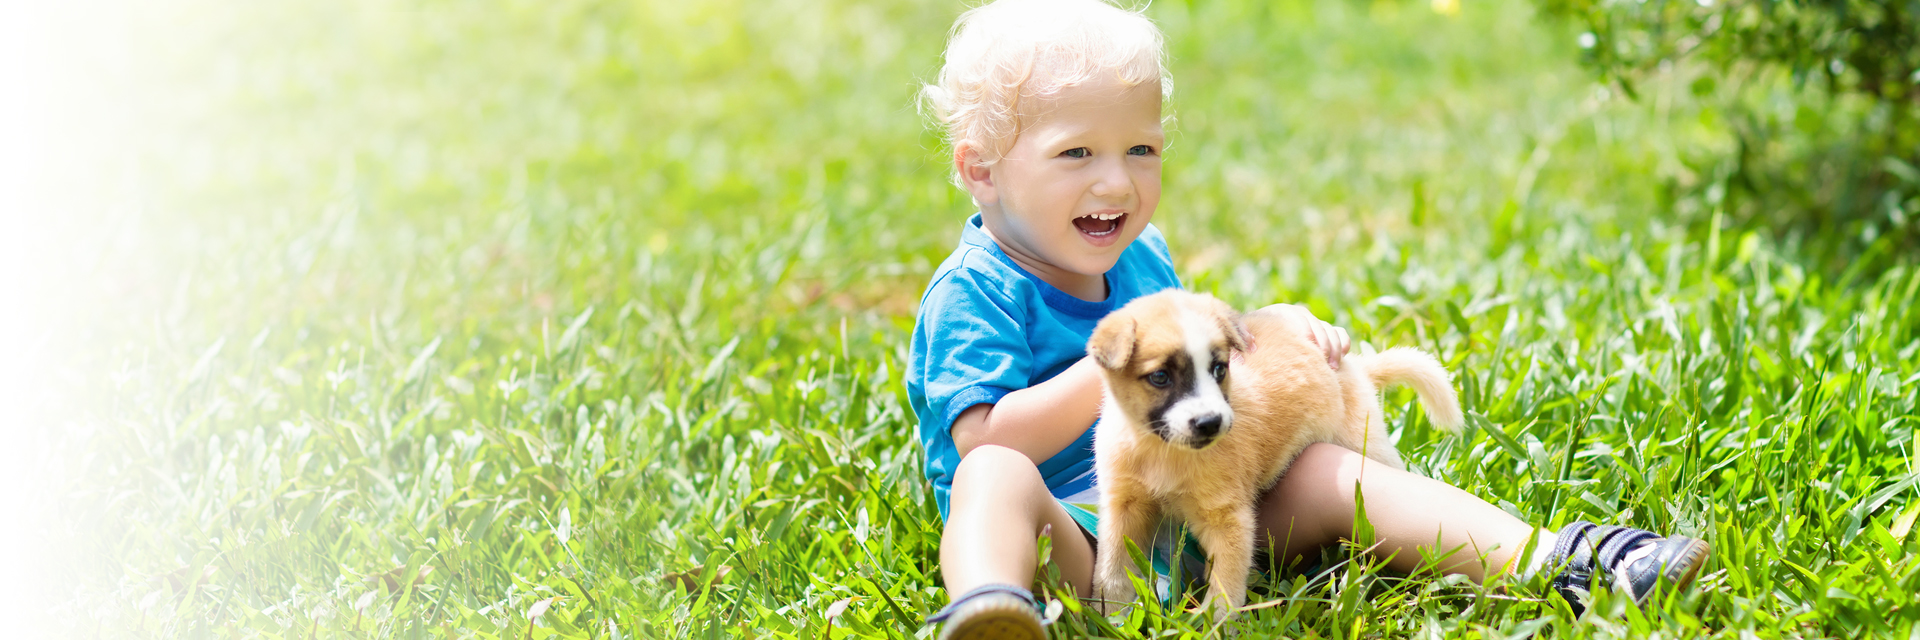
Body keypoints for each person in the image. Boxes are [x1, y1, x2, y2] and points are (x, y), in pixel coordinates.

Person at [904, 1, 1709, 637]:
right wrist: (1109, 366)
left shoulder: (1142, 259)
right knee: (992, 479)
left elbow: (1200, 374)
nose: (1116, 184)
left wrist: (1268, 327)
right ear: (980, 170)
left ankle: (1561, 561)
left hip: (1210, 506)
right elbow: (985, 439)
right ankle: (989, 609)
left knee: (1336, 474)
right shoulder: (976, 294)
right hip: (1076, 547)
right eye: (1076, 154)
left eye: (1141, 151)